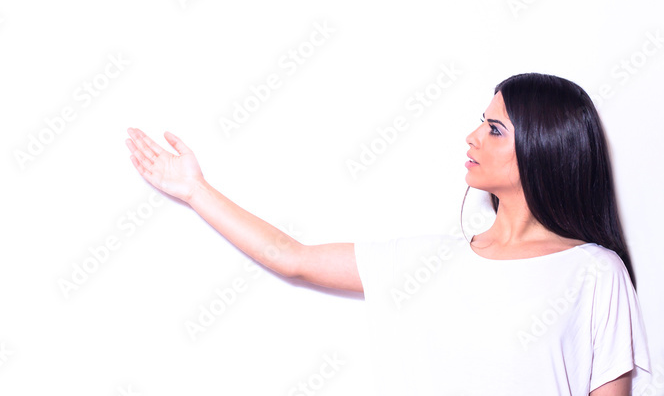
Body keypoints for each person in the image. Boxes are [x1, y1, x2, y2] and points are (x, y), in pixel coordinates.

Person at [124, 73, 651, 396]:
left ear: (543, 146)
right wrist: (195, 190)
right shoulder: (425, 265)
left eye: (494, 129)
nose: (472, 136)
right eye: (480, 121)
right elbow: (294, 258)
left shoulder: (594, 273)